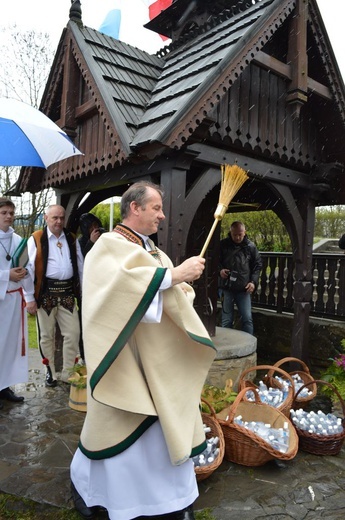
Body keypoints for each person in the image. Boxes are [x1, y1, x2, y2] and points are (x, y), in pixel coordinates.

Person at [70, 181, 216, 520]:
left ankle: (168, 500)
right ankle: (120, 498)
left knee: (162, 426)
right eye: (156, 208)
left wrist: (180, 285)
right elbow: (115, 293)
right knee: (124, 426)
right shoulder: (108, 245)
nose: (162, 215)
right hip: (126, 361)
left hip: (157, 361)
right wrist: (174, 276)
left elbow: (169, 295)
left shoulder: (154, 252)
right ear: (134, 208)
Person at [26, 205, 84, 387]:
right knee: (46, 336)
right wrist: (29, 298)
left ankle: (67, 373)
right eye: (54, 218)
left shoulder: (72, 238)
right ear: (46, 218)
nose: (59, 221)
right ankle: (50, 371)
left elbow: (80, 267)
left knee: (73, 333)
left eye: (61, 218)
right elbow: (28, 270)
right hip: (45, 295)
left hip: (67, 294)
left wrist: (82, 292)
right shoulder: (36, 238)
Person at [0, 198, 35, 408]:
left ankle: (4, 386)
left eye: (11, 213)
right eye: (4, 212)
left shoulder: (18, 240)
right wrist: (7, 275)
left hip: (14, 301)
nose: (8, 216)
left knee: (10, 345)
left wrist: (24, 277)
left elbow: (27, 268)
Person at [219, 221, 262, 335]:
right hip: (227, 288)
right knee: (226, 320)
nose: (238, 237)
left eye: (240, 234)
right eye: (235, 235)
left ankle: (249, 345)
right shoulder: (223, 245)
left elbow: (257, 265)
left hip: (244, 289)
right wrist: (220, 270)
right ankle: (226, 345)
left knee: (247, 319)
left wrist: (253, 282)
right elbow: (215, 261)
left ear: (245, 232)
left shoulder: (251, 247)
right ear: (230, 232)